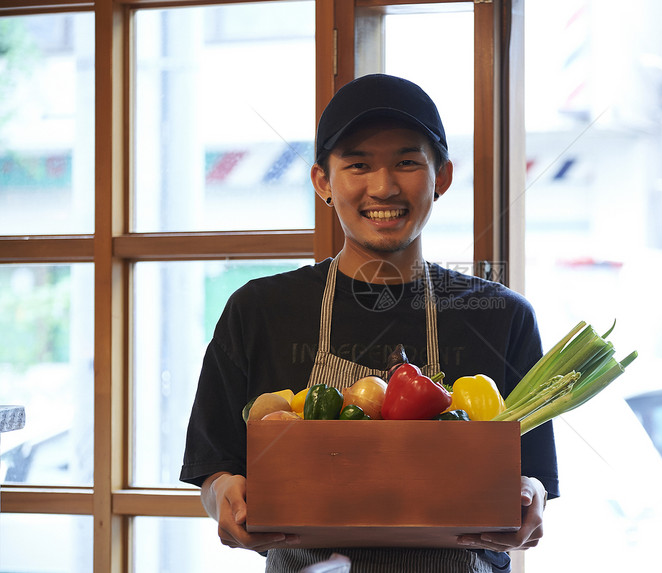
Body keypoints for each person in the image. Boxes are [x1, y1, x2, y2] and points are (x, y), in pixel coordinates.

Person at [180, 73, 559, 573]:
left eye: (407, 162)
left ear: (441, 177)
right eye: (358, 164)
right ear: (323, 182)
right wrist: (225, 497)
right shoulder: (258, 310)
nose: (383, 187)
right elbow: (214, 469)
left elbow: (530, 476)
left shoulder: (503, 316)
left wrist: (530, 498)